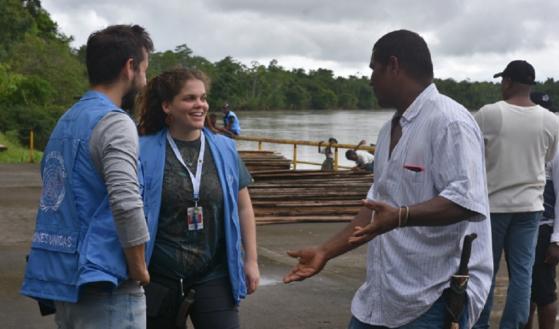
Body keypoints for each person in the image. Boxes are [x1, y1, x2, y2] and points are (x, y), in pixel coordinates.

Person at [284, 29, 492, 329]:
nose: (370, 80)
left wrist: (401, 216)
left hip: (432, 297)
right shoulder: (388, 131)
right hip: (382, 295)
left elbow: (466, 201)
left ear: (394, 66)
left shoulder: (450, 122)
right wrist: (324, 251)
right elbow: (376, 207)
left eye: (374, 69)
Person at [20, 25, 154, 328]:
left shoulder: (67, 120)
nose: (145, 80)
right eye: (145, 70)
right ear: (130, 67)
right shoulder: (115, 123)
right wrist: (139, 269)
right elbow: (125, 202)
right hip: (107, 288)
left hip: (67, 284)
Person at [137, 68, 260, 329]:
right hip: (158, 275)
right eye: (190, 98)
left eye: (203, 98)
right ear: (167, 106)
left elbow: (243, 207)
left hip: (213, 273)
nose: (200, 105)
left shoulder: (225, 148)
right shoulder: (142, 150)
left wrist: (251, 260)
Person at [473, 61, 559, 329]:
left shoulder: (489, 114)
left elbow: (471, 151)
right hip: (531, 209)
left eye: (502, 81)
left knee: (485, 271)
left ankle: (480, 324)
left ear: (508, 82)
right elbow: (547, 158)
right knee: (523, 274)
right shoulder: (551, 120)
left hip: (494, 207)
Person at [524, 92, 559, 329]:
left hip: (544, 228)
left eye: (549, 112)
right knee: (525, 290)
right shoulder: (525, 143)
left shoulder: (557, 147)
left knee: (544, 292)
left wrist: (557, 239)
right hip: (522, 226)